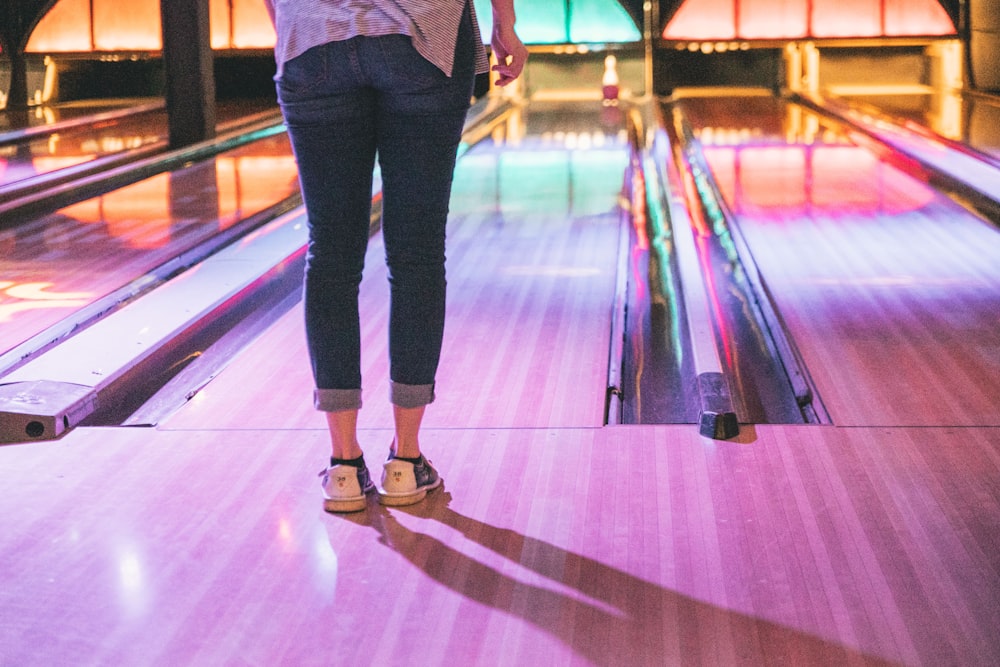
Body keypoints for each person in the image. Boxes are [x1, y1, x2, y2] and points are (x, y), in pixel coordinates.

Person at [262, 0, 527, 512]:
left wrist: (296, 26)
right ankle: (405, 461)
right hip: (422, 36)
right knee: (417, 253)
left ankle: (343, 465)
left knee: (332, 254)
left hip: (312, 42)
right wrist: (505, 26)